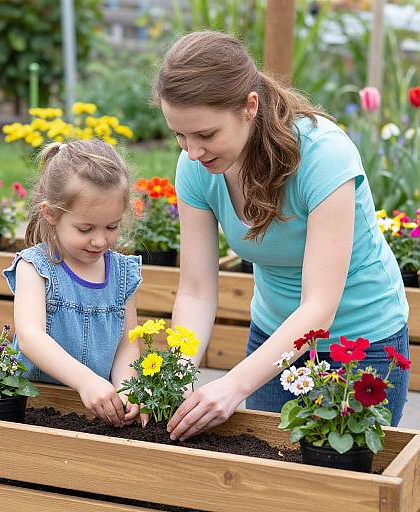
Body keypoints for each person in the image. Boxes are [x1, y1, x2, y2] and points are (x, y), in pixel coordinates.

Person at [153, 31, 410, 440]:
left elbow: (319, 307)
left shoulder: (324, 155)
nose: (192, 152)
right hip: (275, 339)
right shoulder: (195, 167)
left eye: (205, 135)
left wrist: (233, 384)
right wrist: (180, 375)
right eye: (179, 135)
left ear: (249, 107)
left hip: (363, 346)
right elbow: (197, 290)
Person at [3, 139, 145, 427]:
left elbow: (127, 345)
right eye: (85, 228)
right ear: (51, 214)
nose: (100, 240)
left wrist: (127, 387)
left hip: (95, 411)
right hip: (33, 407)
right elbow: (31, 338)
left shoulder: (121, 273)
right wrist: (85, 382)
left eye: (112, 227)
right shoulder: (36, 267)